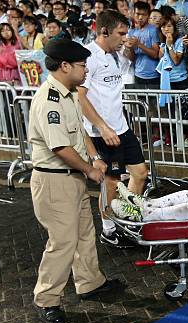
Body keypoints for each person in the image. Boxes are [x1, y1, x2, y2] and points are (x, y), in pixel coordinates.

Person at [29, 39, 124, 323]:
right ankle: (47, 299)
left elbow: (79, 132)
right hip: (55, 181)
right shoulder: (49, 101)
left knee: (84, 233)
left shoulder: (68, 94)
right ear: (65, 66)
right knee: (63, 242)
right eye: (82, 66)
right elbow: (60, 147)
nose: (86, 71)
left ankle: (89, 283)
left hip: (72, 180)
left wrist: (94, 156)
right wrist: (90, 170)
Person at [78, 9, 148, 248]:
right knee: (110, 184)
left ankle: (127, 219)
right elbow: (80, 96)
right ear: (104, 31)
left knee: (140, 174)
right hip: (101, 133)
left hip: (122, 128)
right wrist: (102, 127)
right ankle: (109, 230)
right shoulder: (89, 56)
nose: (124, 37)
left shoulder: (114, 54)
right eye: (121, 33)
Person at [125, 1, 160, 88]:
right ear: (133, 13)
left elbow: (155, 54)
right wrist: (129, 48)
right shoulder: (131, 31)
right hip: (138, 74)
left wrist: (139, 45)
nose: (140, 17)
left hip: (154, 75)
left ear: (148, 15)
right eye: (137, 14)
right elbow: (132, 58)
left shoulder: (153, 30)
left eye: (143, 14)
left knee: (154, 101)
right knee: (140, 100)